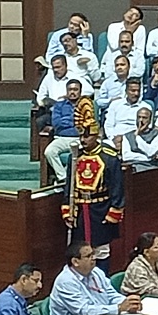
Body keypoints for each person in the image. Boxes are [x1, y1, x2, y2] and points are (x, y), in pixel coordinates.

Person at [62, 103, 124, 274]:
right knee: (79, 249)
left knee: (101, 250)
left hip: (100, 208)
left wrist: (114, 211)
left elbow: (117, 187)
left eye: (87, 136)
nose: (83, 140)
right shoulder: (75, 157)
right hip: (81, 211)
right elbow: (70, 185)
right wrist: (68, 210)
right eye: (81, 136)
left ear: (95, 135)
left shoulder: (109, 157)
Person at [50, 242, 141, 315]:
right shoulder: (66, 281)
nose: (94, 258)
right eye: (88, 256)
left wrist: (129, 303)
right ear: (75, 262)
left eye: (93, 254)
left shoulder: (96, 272)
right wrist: (118, 308)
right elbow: (83, 311)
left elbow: (111, 295)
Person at [34, 55, 91, 131]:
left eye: (58, 67)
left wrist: (70, 96)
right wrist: (44, 102)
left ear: (65, 66)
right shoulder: (49, 78)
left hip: (69, 111)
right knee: (40, 121)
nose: (56, 70)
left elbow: (90, 90)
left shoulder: (74, 77)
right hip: (53, 110)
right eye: (54, 68)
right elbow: (40, 96)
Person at [43, 79, 82, 183]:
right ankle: (63, 178)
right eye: (70, 90)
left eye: (75, 89)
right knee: (49, 152)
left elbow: (87, 124)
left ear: (80, 92)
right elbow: (56, 123)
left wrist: (66, 120)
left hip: (80, 139)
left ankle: (75, 179)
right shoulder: (59, 105)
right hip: (62, 138)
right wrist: (74, 122)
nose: (72, 92)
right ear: (66, 91)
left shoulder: (86, 105)